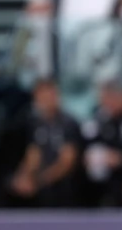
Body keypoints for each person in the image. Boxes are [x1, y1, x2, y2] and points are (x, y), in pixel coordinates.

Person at [9, 79, 81, 207]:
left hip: (63, 187)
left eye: (49, 95)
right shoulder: (36, 123)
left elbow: (67, 162)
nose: (45, 100)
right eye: (41, 96)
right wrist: (24, 176)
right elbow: (33, 155)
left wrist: (39, 181)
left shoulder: (69, 124)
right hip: (41, 188)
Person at [81, 81, 122, 206]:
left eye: (114, 97)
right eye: (106, 97)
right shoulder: (95, 121)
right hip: (97, 188)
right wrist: (88, 158)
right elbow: (84, 149)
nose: (110, 102)